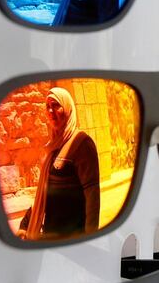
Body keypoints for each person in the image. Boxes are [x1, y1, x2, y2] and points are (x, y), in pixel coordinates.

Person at [18, 88, 100, 240]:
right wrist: (25, 224)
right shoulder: (53, 146)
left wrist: (89, 240)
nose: (50, 110)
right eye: (47, 106)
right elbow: (44, 194)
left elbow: (92, 198)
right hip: (51, 234)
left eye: (56, 105)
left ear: (67, 108)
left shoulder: (82, 144)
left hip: (72, 238)